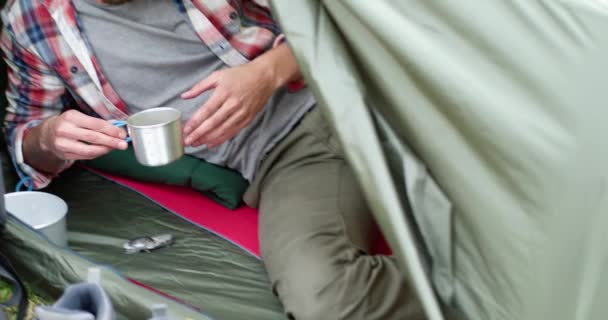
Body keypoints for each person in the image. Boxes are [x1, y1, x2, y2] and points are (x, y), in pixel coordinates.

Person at [0, 0, 424, 319]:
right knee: (325, 297)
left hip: (319, 110)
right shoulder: (31, 18)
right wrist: (50, 138)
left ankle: (482, 272)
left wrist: (270, 71)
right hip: (272, 162)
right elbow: (25, 128)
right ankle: (467, 275)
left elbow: (349, 18)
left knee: (329, 292)